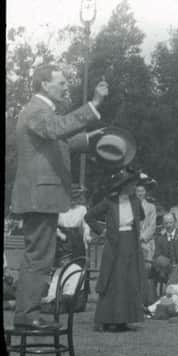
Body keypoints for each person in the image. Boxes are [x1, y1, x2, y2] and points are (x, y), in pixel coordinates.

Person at [11, 64, 107, 330]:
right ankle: (26, 315)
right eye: (61, 82)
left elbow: (55, 142)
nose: (66, 86)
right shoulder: (37, 110)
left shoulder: (41, 113)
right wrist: (94, 104)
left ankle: (27, 312)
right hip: (39, 197)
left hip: (41, 196)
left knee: (41, 255)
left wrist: (87, 139)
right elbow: (56, 131)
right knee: (39, 256)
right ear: (44, 85)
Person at [85, 168, 147, 332]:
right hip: (115, 244)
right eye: (132, 184)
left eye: (135, 184)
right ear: (124, 185)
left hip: (131, 243)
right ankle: (106, 319)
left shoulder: (135, 201)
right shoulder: (110, 201)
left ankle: (124, 319)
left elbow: (141, 216)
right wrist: (102, 230)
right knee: (114, 280)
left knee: (129, 280)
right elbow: (89, 216)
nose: (134, 187)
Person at [149, 213, 178, 290]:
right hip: (167, 268)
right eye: (166, 223)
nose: (168, 225)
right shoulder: (160, 238)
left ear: (175, 222)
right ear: (163, 224)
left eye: (171, 222)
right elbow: (157, 255)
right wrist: (166, 264)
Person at [135, 177, 157, 305]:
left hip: (146, 242)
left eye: (142, 191)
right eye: (138, 191)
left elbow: (152, 225)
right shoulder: (131, 205)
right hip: (132, 240)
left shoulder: (151, 207)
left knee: (146, 269)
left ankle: (146, 298)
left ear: (145, 192)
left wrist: (142, 237)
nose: (140, 193)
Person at [56, 185, 91, 262]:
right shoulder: (60, 208)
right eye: (71, 198)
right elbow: (53, 225)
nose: (73, 201)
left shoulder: (82, 209)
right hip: (62, 238)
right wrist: (59, 234)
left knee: (78, 261)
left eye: (75, 198)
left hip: (76, 238)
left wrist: (87, 235)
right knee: (63, 262)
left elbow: (86, 224)